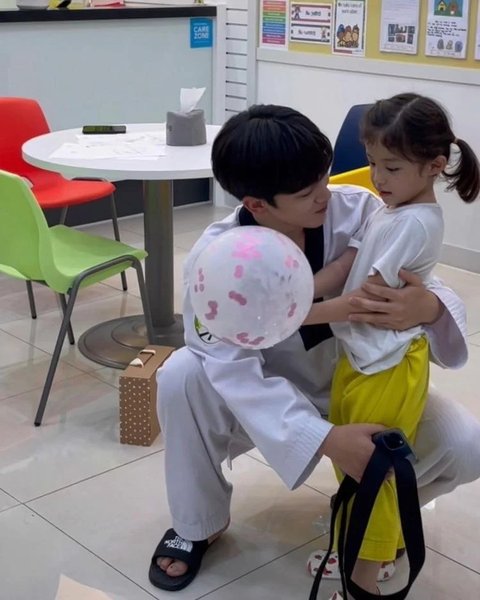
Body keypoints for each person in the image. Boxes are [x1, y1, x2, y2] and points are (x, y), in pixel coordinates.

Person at [148, 104, 480, 593]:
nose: (325, 195)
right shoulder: (215, 260)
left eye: (323, 178)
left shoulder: (362, 209)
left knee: (466, 446)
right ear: (257, 203)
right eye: (306, 193)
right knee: (180, 376)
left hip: (360, 378)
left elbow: (417, 277)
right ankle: (198, 523)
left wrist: (429, 307)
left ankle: (367, 516)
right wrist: (322, 438)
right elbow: (228, 364)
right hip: (269, 398)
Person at [301, 93, 479, 599]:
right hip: (363, 356)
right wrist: (300, 291)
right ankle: (361, 548)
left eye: (392, 167)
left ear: (434, 166)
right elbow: (347, 266)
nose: (377, 177)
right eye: (372, 162)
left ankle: (364, 581)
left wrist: (296, 314)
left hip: (386, 364)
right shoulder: (392, 208)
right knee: (355, 462)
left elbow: (364, 301)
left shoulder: (415, 222)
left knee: (374, 472)